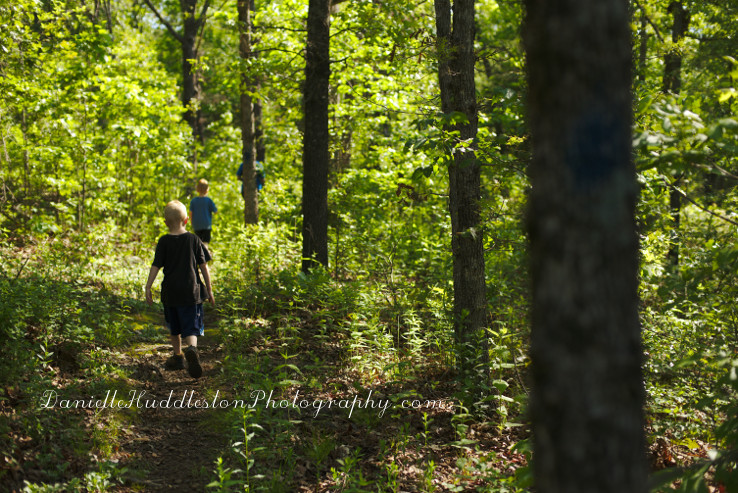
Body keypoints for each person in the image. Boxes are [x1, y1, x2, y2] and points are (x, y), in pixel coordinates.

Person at [144, 200, 215, 378]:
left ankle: (178, 356)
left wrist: (148, 286)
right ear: (186, 220)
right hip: (191, 291)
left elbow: (156, 266)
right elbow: (203, 266)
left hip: (170, 292)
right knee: (191, 326)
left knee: (174, 327)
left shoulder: (163, 241)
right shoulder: (194, 239)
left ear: (166, 222)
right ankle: (192, 349)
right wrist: (210, 290)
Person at [189, 179, 217, 246]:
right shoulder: (208, 200)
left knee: (198, 243)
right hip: (206, 225)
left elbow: (190, 213)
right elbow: (215, 211)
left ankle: (199, 255)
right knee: (205, 243)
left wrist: (191, 222)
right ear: (207, 189)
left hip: (196, 225)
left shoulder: (193, 201)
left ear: (197, 189)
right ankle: (205, 255)